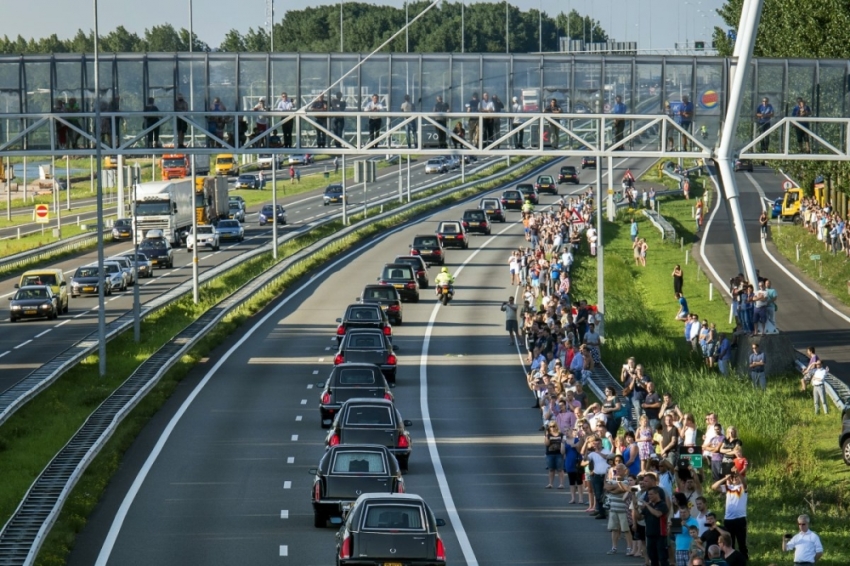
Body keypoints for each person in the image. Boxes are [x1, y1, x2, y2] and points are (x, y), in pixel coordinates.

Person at [711, 471, 748, 561]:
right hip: (728, 519)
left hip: (740, 518)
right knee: (729, 542)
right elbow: (714, 487)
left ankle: (744, 560)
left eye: (736, 477)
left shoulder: (742, 488)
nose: (734, 479)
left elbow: (745, 483)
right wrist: (725, 478)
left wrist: (738, 474)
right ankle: (731, 560)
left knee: (741, 542)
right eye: (733, 477)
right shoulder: (728, 487)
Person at [640, 486, 670, 566]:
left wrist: (647, 505)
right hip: (650, 534)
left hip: (660, 534)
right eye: (648, 495)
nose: (649, 496)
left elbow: (658, 514)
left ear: (657, 494)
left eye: (651, 494)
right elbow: (639, 518)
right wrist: (636, 508)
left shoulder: (662, 505)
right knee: (652, 557)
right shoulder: (648, 506)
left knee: (662, 557)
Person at [544, 422, 566, 489]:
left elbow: (564, 444)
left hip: (559, 454)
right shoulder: (548, 435)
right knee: (551, 469)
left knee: (560, 469)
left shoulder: (561, 435)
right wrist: (547, 435)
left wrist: (564, 453)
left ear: (556, 426)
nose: (552, 428)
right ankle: (550, 483)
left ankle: (561, 484)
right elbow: (547, 444)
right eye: (550, 426)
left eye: (553, 426)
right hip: (550, 454)